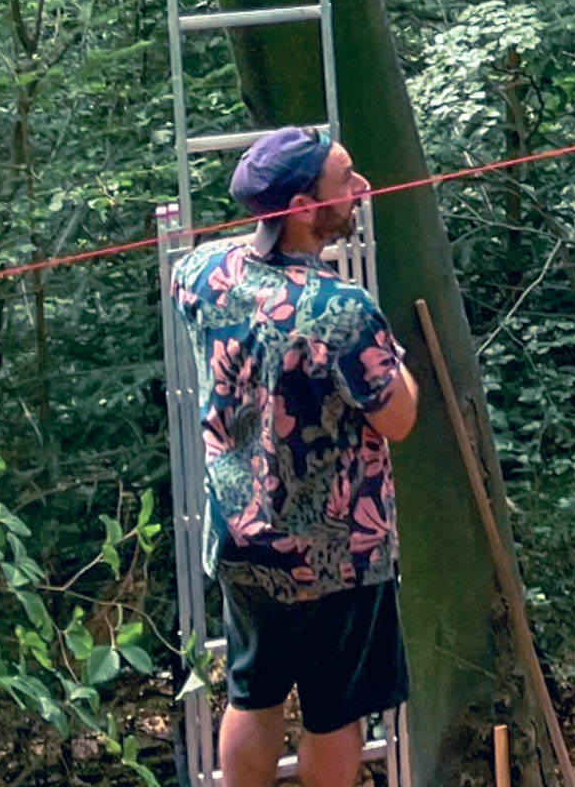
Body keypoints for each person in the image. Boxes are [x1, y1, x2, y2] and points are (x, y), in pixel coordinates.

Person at [173, 126, 421, 787]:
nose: (362, 188)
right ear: (306, 208)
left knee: (251, 694)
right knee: (332, 714)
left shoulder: (199, 273)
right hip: (336, 555)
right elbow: (399, 416)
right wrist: (394, 358)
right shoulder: (342, 310)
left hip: (241, 540)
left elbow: (221, 281)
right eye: (346, 180)